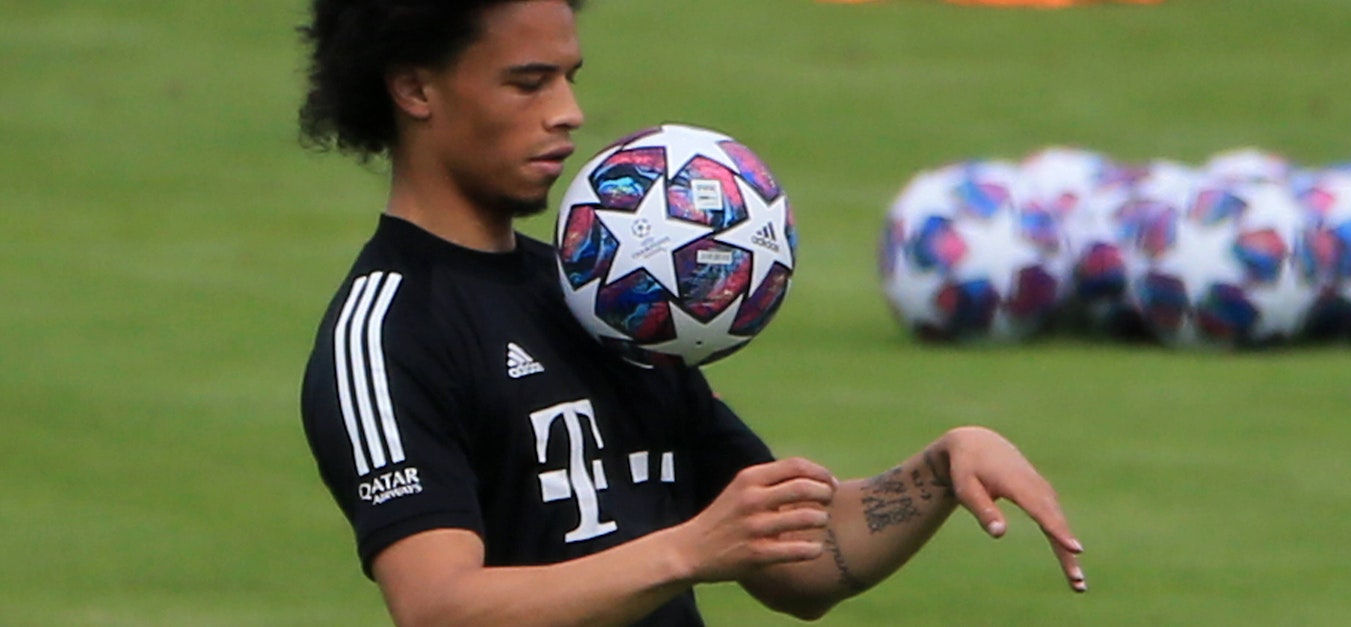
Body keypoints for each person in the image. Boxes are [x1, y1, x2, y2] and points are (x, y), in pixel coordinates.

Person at [294, 1, 1084, 625]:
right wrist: (687, 549)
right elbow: (438, 608)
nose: (568, 111)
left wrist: (941, 466)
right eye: (529, 82)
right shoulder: (387, 334)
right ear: (415, 88)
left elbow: (799, 565)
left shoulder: (607, 295)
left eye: (570, 76)